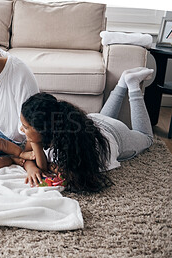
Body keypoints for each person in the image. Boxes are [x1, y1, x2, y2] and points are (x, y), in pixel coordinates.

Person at [20, 67, 154, 192]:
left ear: (43, 131)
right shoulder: (64, 128)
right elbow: (24, 155)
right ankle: (123, 82)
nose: (21, 129)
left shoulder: (72, 151)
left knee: (147, 138)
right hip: (95, 122)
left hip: (117, 135)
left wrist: (41, 157)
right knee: (103, 117)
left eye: (25, 127)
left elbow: (76, 179)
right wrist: (32, 163)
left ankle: (133, 85)